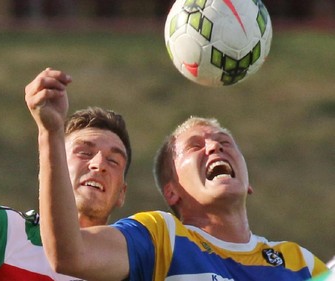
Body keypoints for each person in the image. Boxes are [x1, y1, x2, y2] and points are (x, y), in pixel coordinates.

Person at [26, 68, 329, 281]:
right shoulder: (161, 237)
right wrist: (50, 133)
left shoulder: (299, 263)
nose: (213, 147)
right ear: (171, 191)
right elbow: (70, 256)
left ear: (248, 184)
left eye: (224, 143)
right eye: (196, 146)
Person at [0, 69, 132, 280]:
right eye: (84, 153)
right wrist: (49, 132)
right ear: (52, 167)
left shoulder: (134, 267)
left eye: (113, 161)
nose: (98, 164)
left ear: (122, 192)